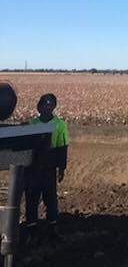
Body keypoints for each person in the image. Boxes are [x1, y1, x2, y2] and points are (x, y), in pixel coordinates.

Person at [25, 93, 69, 240]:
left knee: (50, 198)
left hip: (49, 167)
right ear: (39, 107)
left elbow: (63, 147)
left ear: (54, 107)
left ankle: (53, 227)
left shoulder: (60, 124)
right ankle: (31, 229)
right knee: (32, 198)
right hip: (33, 167)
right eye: (45, 105)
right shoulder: (31, 124)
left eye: (51, 105)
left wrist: (61, 168)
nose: (47, 108)